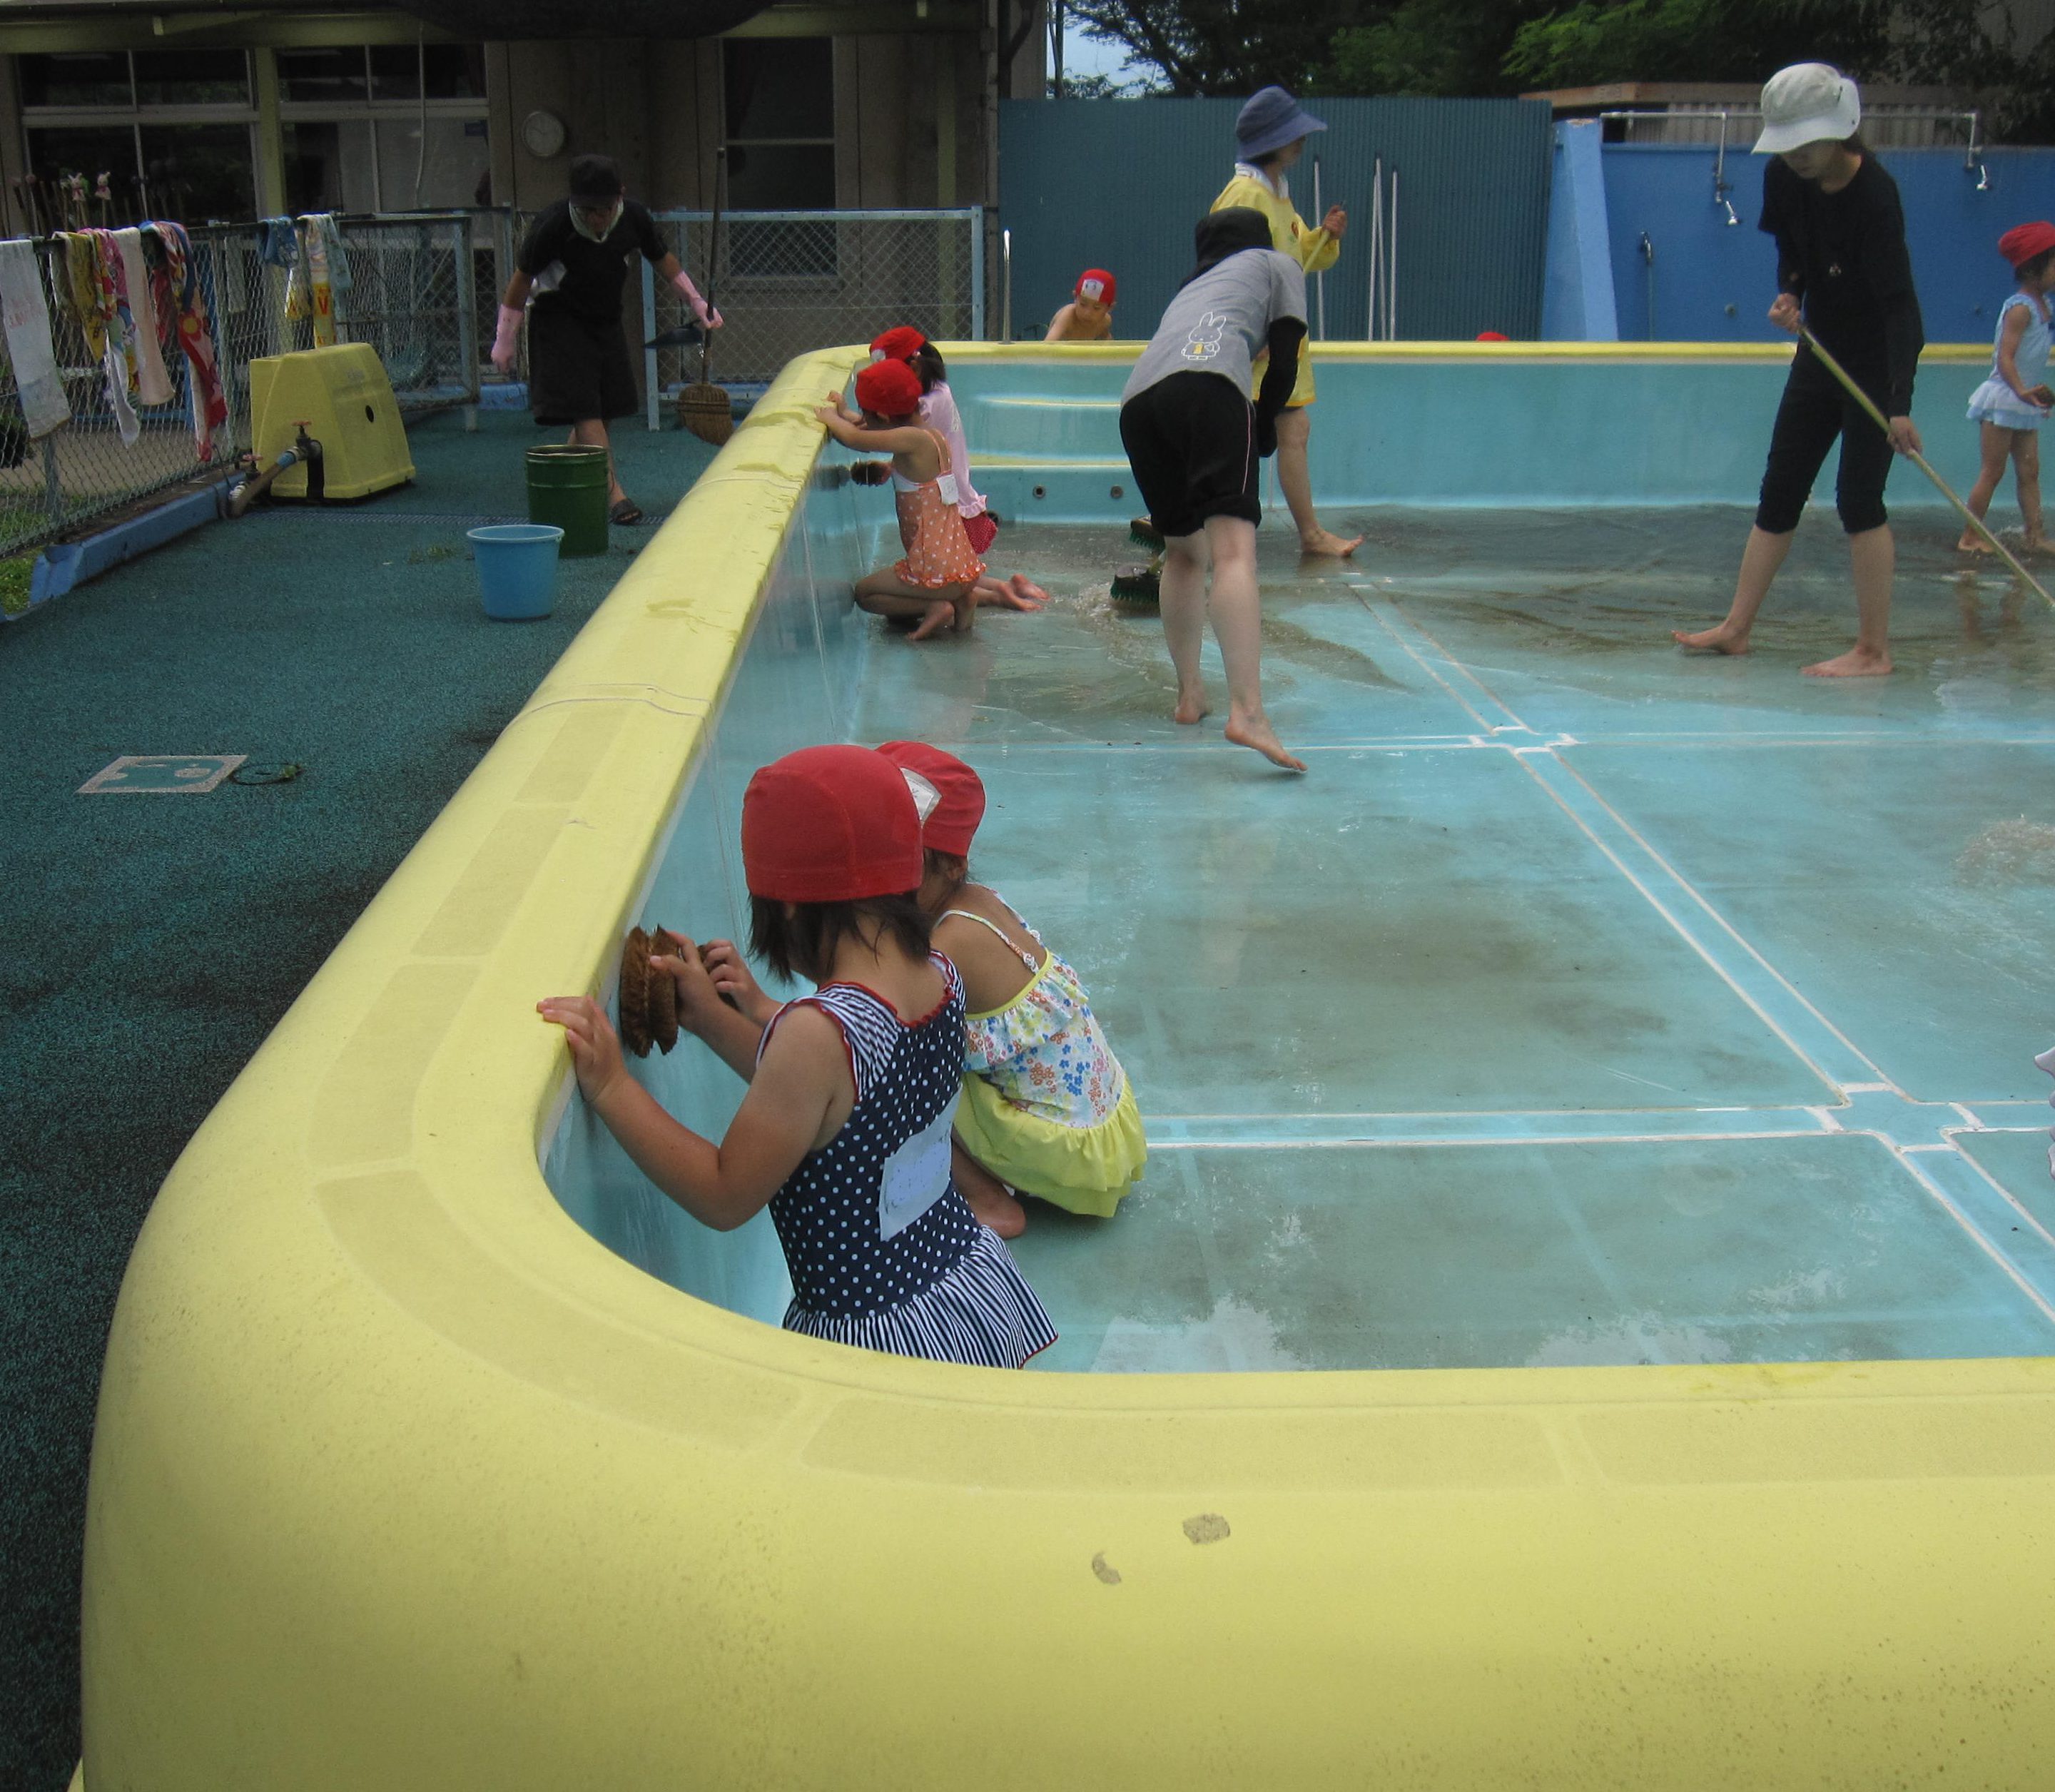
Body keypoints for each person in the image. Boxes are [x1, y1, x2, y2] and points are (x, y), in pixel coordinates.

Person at [537, 744, 1056, 1369]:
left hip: (873, 1336)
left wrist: (613, 1084)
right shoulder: (942, 975)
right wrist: (710, 1017)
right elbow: (829, 1106)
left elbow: (725, 1192)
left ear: (785, 902)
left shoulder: (819, 1032)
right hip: (958, 1283)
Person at [706, 741, 1148, 1239]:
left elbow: (858, 1039)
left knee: (908, 1069)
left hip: (1061, 1149)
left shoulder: (947, 943)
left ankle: (986, 1199)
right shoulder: (978, 903)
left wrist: (759, 1008)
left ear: (952, 866)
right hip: (1106, 1131)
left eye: (903, 861)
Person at [1674, 64, 1924, 677]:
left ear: (1841, 132)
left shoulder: (1876, 196)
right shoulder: (1782, 179)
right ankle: (1736, 628)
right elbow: (1793, 253)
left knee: (1859, 500)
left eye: (1807, 144)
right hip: (1820, 351)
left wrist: (1898, 402)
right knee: (1780, 488)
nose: (1798, 156)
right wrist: (1790, 295)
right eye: (1787, 145)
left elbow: (1900, 306)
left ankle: (1873, 650)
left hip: (1870, 364)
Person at [1118, 208, 1309, 772]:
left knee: (1183, 552)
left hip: (1139, 404)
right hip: (1211, 387)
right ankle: (1247, 711)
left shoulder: (1191, 288)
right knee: (1233, 555)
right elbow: (1285, 357)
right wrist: (1268, 424)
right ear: (1261, 240)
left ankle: (1190, 695)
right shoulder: (1278, 263)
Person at [492, 154, 719, 526]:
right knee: (587, 410)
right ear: (574, 202)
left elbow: (662, 259)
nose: (596, 218)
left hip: (605, 319)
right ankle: (614, 494)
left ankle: (563, 478)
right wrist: (505, 338)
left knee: (606, 407)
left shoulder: (633, 218)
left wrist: (696, 301)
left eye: (604, 209)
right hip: (558, 320)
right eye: (587, 209)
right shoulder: (553, 225)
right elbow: (520, 281)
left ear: (620, 196)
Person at [1212, 86, 1361, 558]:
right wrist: (1250, 329)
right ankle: (1221, 535)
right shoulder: (1246, 194)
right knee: (1246, 439)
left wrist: (1323, 237)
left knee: (1286, 432)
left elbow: (1294, 259)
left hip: (1277, 344)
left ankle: (1294, 535)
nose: (1300, 143)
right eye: (1292, 135)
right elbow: (1226, 266)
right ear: (1271, 142)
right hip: (1258, 346)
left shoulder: (1276, 195)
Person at [868, 325, 1047, 605]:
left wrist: (842, 416)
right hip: (957, 494)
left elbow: (881, 432)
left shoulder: (923, 407)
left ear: (913, 370)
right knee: (956, 574)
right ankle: (1008, 584)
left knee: (946, 581)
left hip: (943, 505)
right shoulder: (941, 390)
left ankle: (1000, 595)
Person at [818, 358, 981, 642]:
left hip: (934, 569)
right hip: (961, 565)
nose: (863, 419)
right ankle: (962, 600)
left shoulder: (910, 440)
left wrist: (831, 419)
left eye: (866, 414)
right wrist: (845, 411)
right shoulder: (933, 437)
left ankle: (938, 605)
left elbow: (856, 439)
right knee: (901, 593)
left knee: (865, 594)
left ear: (882, 414)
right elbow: (870, 429)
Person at [1957, 221, 2055, 555]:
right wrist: (2021, 391)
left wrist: (2033, 394)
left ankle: (2035, 534)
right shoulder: (2020, 308)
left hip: (2024, 400)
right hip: (2004, 398)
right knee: (1993, 471)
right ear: (2033, 268)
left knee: (2030, 470)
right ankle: (1970, 535)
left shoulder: (2046, 307)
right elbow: (2005, 358)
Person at [1045, 268, 1117, 342]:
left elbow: (1108, 342)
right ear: (1075, 298)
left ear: (1109, 308)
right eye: (1083, 304)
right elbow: (1047, 345)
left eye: (1097, 308)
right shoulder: (1068, 316)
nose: (1087, 313)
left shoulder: (1105, 322)